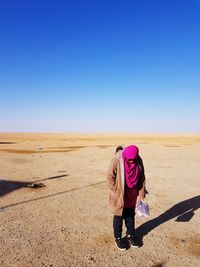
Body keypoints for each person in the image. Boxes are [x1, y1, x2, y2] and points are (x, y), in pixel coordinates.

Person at [106, 145, 146, 250]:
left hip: (132, 195)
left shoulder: (138, 159)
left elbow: (142, 176)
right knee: (118, 217)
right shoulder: (117, 160)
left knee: (130, 216)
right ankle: (118, 238)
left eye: (134, 160)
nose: (132, 162)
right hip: (119, 196)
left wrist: (141, 193)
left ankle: (130, 235)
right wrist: (115, 189)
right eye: (130, 160)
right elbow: (110, 176)